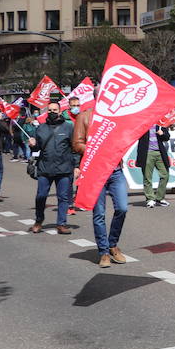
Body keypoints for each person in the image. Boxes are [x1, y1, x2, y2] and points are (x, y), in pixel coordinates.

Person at [71, 100, 128, 268]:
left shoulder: (116, 116)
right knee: (99, 213)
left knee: (122, 208)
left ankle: (113, 244)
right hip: (95, 172)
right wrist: (94, 150)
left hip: (115, 169)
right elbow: (76, 143)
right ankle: (103, 252)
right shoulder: (84, 116)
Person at [28, 99, 75, 235]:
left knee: (63, 197)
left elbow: (74, 147)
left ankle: (61, 224)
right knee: (41, 196)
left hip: (64, 168)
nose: (52, 112)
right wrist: (32, 144)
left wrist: (76, 166)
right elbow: (37, 148)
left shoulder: (68, 127)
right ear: (46, 111)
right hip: (45, 168)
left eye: (55, 110)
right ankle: (38, 221)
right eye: (50, 110)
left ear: (60, 111)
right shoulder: (41, 128)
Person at [136, 123, 172, 208]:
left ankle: (160, 198)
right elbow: (135, 134)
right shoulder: (142, 125)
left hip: (160, 153)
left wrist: (162, 134)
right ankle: (150, 199)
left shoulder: (161, 124)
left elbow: (167, 137)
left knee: (165, 175)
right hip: (147, 153)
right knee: (147, 177)